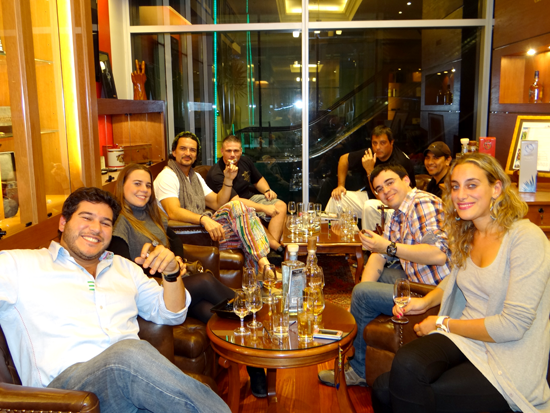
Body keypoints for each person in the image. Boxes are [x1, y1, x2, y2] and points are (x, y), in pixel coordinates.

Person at [0, 187, 230, 413]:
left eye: (106, 223)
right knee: (127, 354)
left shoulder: (125, 268)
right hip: (65, 395)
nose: (96, 229)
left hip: (129, 389)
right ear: (63, 223)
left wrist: (171, 274)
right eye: (86, 218)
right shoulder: (18, 265)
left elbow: (172, 314)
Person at [373, 153, 550, 413]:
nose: (460, 195)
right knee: (386, 382)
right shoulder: (469, 234)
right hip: (466, 341)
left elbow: (513, 326)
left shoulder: (526, 238)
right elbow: (455, 278)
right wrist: (425, 302)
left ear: (496, 188)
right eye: (455, 186)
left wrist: (442, 322)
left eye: (472, 185)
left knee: (402, 382)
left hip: (508, 357)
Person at [318, 163, 450, 387]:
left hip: (437, 291)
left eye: (390, 183)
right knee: (368, 284)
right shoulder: (397, 214)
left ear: (406, 180)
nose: (385, 191)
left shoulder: (422, 203)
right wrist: (357, 298)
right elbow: (379, 257)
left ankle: (359, 370)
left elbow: (438, 255)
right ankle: (359, 323)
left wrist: (388, 247)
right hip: (416, 280)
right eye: (379, 189)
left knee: (364, 292)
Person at [109, 163, 235, 324]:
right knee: (205, 281)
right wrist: (168, 269)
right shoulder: (119, 222)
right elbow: (123, 269)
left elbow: (175, 240)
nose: (144, 189)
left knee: (207, 310)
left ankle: (247, 332)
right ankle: (251, 308)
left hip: (172, 281)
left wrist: (177, 260)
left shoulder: (151, 213)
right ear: (122, 185)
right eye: (137, 183)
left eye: (148, 185)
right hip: (151, 288)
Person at [154, 131, 271, 272]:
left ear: (196, 155)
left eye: (192, 150)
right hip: (186, 234)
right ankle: (264, 265)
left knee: (244, 225)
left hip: (200, 229)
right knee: (243, 228)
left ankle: (258, 273)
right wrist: (203, 219)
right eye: (183, 148)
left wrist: (228, 179)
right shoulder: (167, 177)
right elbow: (173, 212)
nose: (188, 153)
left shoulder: (195, 177)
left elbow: (217, 203)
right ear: (174, 152)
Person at [206, 135, 287, 260]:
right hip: (233, 206)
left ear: (241, 151)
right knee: (253, 216)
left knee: (281, 205)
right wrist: (264, 208)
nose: (232, 155)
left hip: (249, 197)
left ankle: (269, 250)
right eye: (228, 151)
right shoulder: (216, 173)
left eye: (236, 151)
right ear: (222, 151)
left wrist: (267, 190)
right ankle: (273, 249)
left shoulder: (245, 161)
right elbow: (235, 201)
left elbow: (258, 179)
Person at [325, 126, 416, 230]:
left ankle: (367, 240)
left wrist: (369, 171)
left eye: (382, 143)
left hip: (395, 203)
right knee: (337, 198)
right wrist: (340, 186)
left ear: (391, 143)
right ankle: (337, 236)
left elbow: (383, 195)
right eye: (374, 143)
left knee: (369, 206)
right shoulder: (371, 153)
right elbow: (344, 159)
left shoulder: (400, 161)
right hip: (371, 195)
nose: (378, 147)